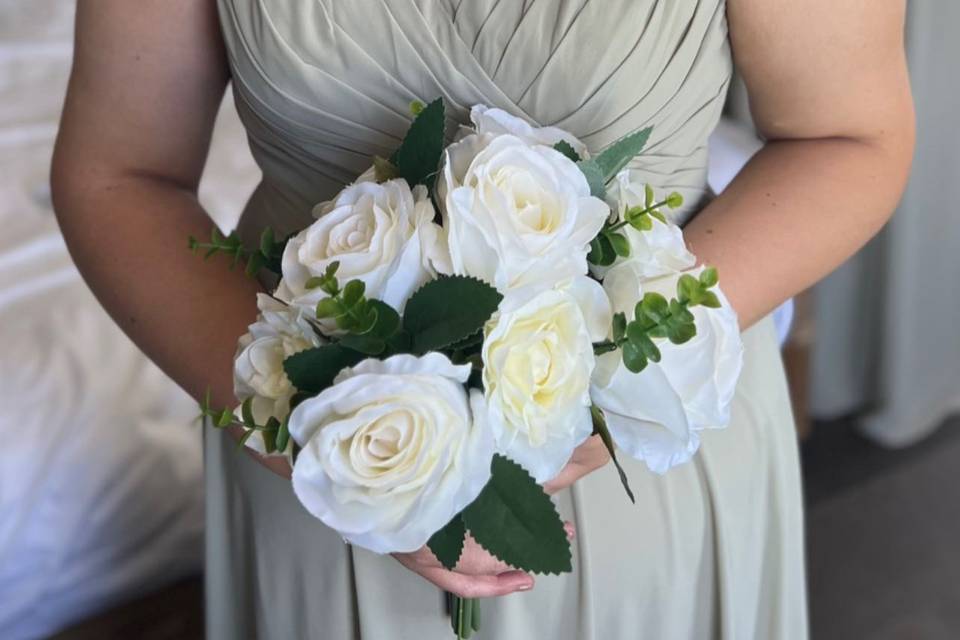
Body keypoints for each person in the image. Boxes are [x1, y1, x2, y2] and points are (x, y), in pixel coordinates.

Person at [51, 1, 914, 638]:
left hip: (637, 453)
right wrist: (321, 445)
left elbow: (847, 136)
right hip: (321, 455)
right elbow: (120, 173)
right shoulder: (318, 449)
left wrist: (607, 382)